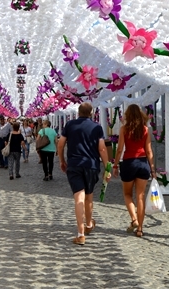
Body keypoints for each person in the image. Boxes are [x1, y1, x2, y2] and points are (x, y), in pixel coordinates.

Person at [58, 102, 111, 246]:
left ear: (79, 112)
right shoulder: (97, 127)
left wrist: (62, 160)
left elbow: (61, 143)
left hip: (74, 164)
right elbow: (102, 149)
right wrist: (107, 167)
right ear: (92, 113)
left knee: (79, 198)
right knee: (89, 197)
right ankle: (88, 224)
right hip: (91, 166)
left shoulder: (69, 125)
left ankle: (81, 234)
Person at [113, 104, 155, 237]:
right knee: (140, 197)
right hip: (143, 163)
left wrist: (115, 165)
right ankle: (140, 229)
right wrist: (153, 169)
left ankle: (134, 219)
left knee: (127, 194)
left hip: (129, 163)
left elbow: (119, 149)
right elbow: (149, 151)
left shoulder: (124, 129)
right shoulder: (145, 129)